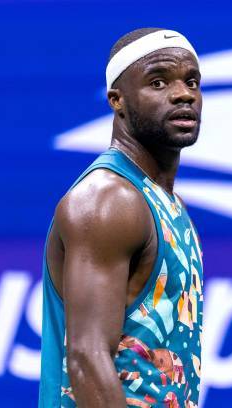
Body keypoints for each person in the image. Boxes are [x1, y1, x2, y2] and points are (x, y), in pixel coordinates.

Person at [39, 27, 204, 408]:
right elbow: (86, 359)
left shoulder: (167, 204)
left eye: (191, 81)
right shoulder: (109, 201)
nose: (183, 94)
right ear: (118, 101)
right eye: (158, 82)